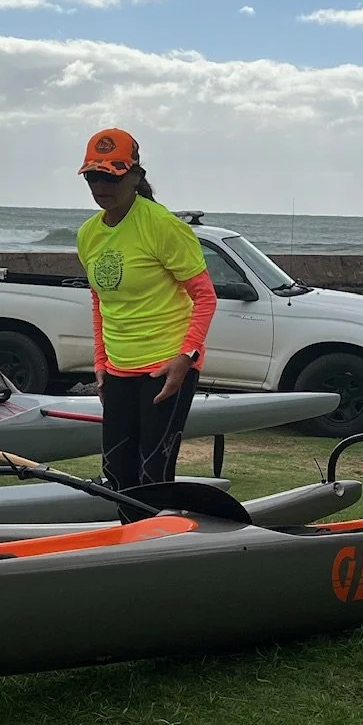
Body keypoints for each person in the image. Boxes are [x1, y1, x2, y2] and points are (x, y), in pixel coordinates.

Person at [75, 128, 217, 492]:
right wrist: (100, 362)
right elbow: (99, 301)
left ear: (136, 176)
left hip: (165, 366)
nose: (100, 184)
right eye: (93, 175)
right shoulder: (88, 234)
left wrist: (185, 358)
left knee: (154, 473)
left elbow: (205, 297)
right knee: (117, 470)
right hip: (119, 367)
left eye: (111, 175)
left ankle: (158, 543)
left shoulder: (163, 226)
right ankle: (129, 543)